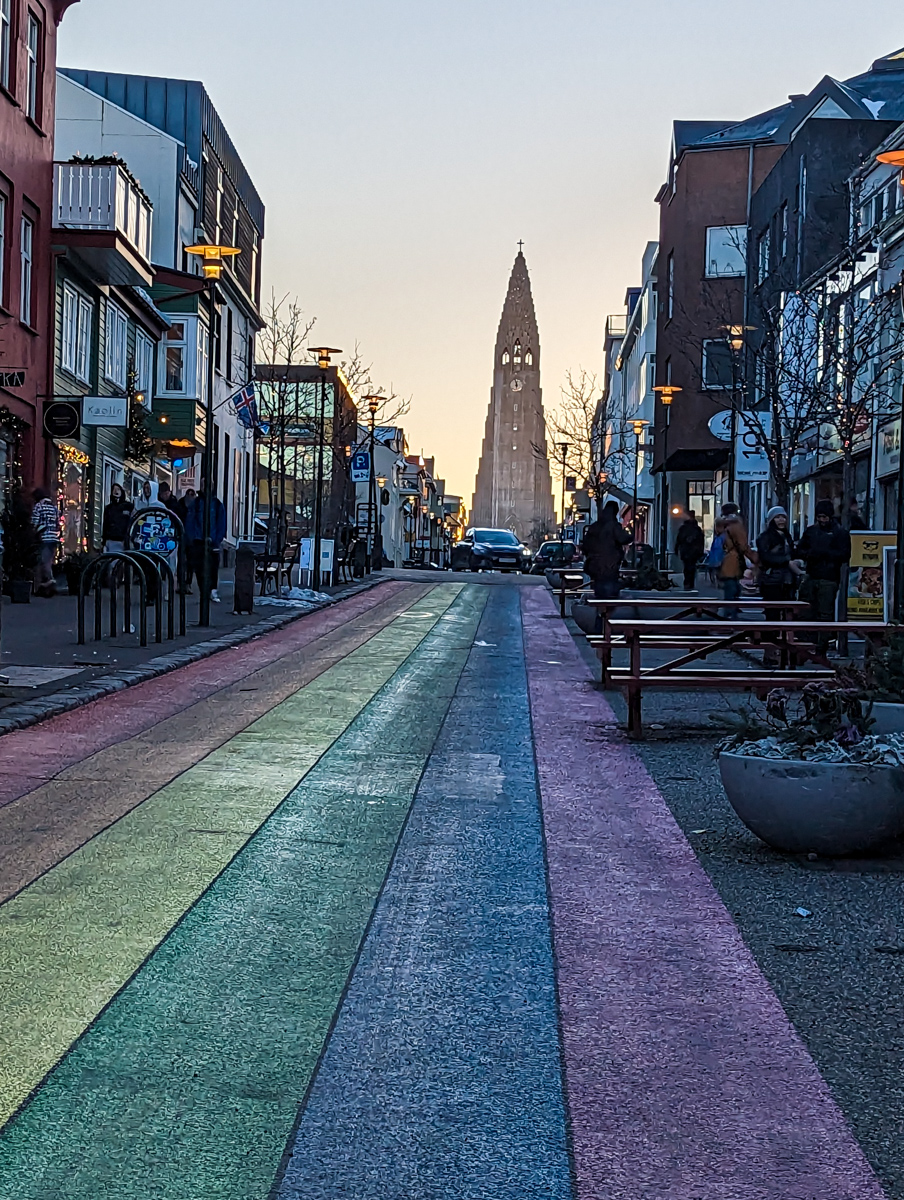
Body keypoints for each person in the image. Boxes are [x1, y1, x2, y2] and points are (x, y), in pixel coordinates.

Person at [797, 499, 852, 651]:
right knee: (807, 612)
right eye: (819, 517)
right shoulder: (812, 531)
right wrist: (810, 555)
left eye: (824, 517)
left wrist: (824, 554)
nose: (822, 520)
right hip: (813, 574)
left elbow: (845, 555)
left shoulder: (839, 533)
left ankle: (820, 648)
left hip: (828, 577)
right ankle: (809, 645)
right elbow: (799, 550)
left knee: (824, 614)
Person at [582, 500, 633, 600]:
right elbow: (623, 539)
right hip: (610, 564)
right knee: (610, 593)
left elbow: (586, 545)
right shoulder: (614, 526)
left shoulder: (594, 527)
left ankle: (600, 612)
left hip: (594, 565)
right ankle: (607, 612)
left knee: (599, 591)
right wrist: (631, 533)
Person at [185, 483, 227, 603]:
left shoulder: (217, 504)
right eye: (203, 484)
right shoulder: (196, 503)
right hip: (198, 540)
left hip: (212, 541)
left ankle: (212, 589)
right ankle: (204, 591)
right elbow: (190, 520)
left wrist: (217, 539)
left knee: (213, 567)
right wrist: (192, 537)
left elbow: (221, 522)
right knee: (199, 568)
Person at [719, 509, 758, 617]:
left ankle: (729, 614)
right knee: (733, 590)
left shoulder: (724, 526)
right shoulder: (736, 526)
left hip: (727, 561)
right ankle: (730, 616)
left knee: (730, 589)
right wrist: (755, 558)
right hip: (733, 562)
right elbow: (743, 546)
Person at [756, 507, 796, 603]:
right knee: (773, 609)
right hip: (771, 579)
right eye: (777, 517)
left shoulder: (787, 536)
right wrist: (786, 560)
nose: (781, 520)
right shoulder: (765, 537)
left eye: (783, 517)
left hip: (787, 579)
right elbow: (765, 557)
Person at [31, 488, 60, 597]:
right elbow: (57, 522)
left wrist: (33, 531)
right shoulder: (54, 507)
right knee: (48, 560)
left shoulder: (39, 506)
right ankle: (43, 586)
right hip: (53, 537)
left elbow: (34, 521)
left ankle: (50, 580)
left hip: (43, 537)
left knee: (44, 561)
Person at [674, 512, 705, 591]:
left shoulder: (684, 528)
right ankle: (690, 582)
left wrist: (676, 549)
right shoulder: (697, 529)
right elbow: (701, 541)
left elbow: (679, 540)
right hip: (693, 551)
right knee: (691, 567)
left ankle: (688, 582)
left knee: (687, 567)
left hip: (686, 551)